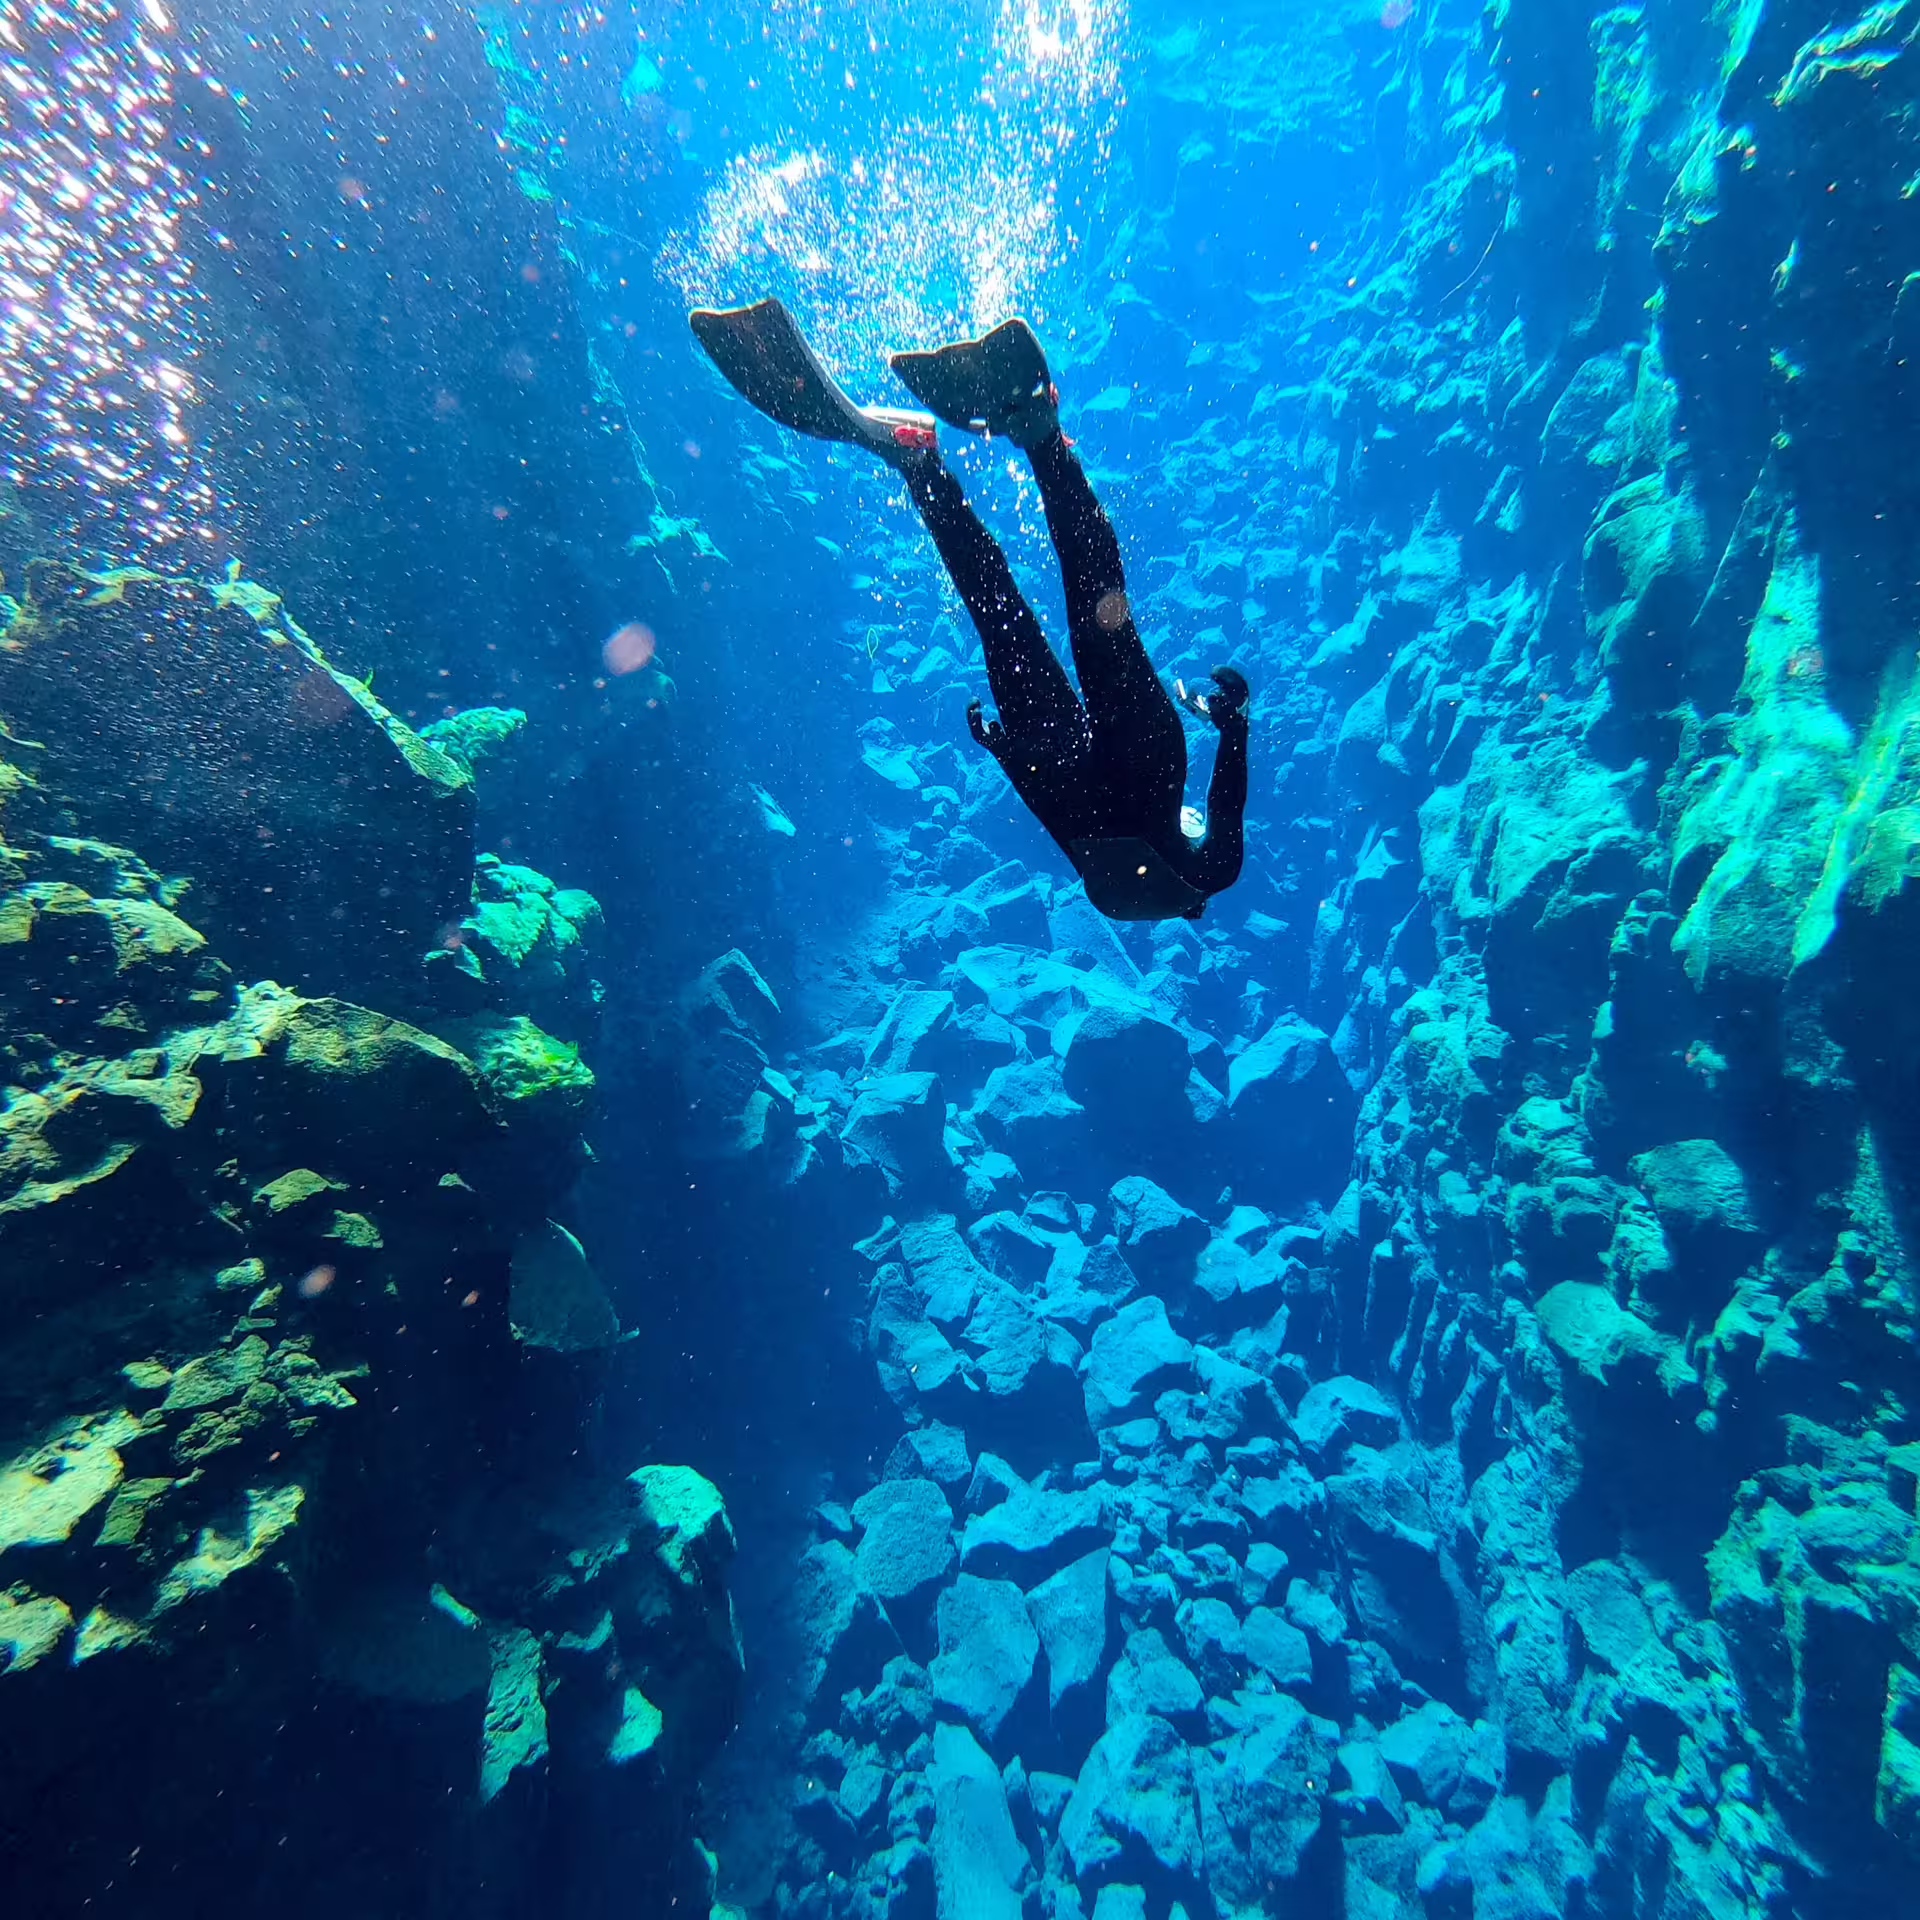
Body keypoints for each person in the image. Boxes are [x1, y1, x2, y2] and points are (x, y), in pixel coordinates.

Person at [689, 299, 1250, 921]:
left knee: (1098, 611)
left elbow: (1216, 820)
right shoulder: (1133, 892)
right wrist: (1007, 753)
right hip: (1064, 778)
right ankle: (921, 463)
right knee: (998, 613)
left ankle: (1036, 433)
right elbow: (1064, 823)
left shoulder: (1207, 874)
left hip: (1126, 767)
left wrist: (1234, 726)